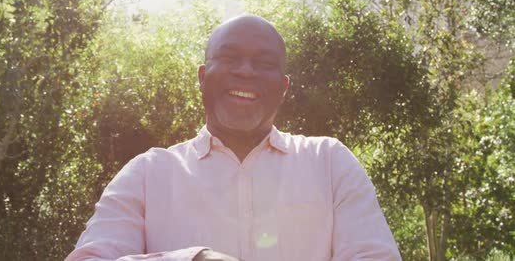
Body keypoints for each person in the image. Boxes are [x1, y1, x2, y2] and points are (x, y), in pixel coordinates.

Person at [65, 15, 401, 261]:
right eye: (229, 58)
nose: (246, 71)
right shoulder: (147, 174)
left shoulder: (329, 163)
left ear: (284, 88)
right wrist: (190, 260)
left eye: (264, 63)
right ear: (202, 76)